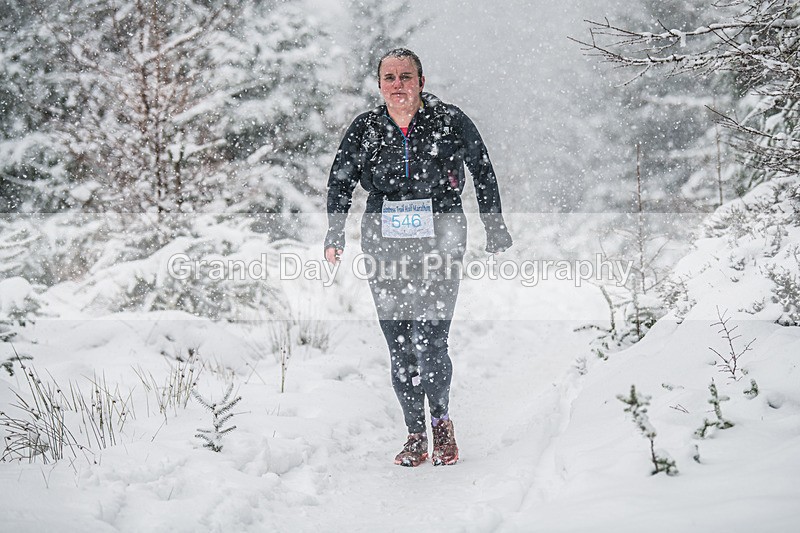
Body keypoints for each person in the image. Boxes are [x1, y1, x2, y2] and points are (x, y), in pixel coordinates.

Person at [324, 48, 512, 467]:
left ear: (421, 82)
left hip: (441, 236)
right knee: (399, 345)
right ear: (379, 85)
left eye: (406, 76)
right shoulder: (367, 128)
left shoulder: (449, 121)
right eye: (389, 78)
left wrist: (494, 226)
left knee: (429, 340)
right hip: (384, 241)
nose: (398, 85)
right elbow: (340, 180)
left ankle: (441, 424)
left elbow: (482, 170)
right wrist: (334, 232)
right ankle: (414, 434)